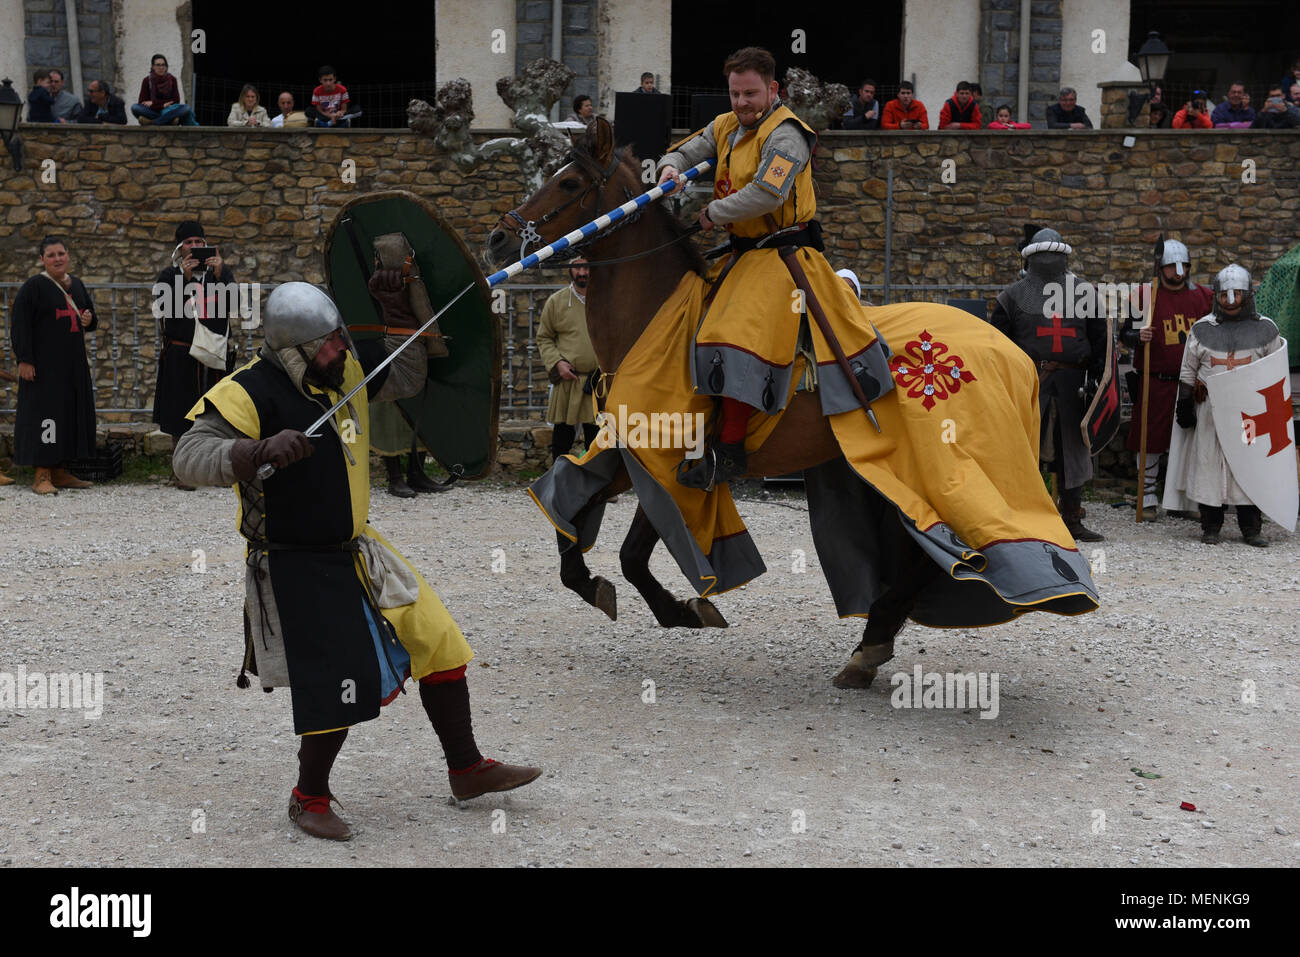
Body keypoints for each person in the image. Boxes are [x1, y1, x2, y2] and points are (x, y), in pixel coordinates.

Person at [173, 282, 541, 841]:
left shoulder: (344, 368)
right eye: (327, 343)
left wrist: (397, 303)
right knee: (338, 679)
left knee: (439, 640)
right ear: (293, 349)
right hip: (295, 560)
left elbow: (413, 371)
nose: (341, 349)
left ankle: (466, 769)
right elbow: (187, 458)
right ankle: (308, 797)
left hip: (361, 546)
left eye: (341, 337)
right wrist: (254, 450)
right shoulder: (247, 392)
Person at [656, 46, 890, 486]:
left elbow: (768, 193)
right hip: (742, 252)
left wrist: (715, 212)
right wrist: (670, 168)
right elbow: (687, 151)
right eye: (735, 94)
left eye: (750, 93)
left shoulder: (787, 134)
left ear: (772, 89)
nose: (741, 103)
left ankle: (729, 450)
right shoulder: (726, 125)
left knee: (734, 334)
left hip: (782, 255)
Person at [990, 227, 1107, 541]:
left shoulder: (1083, 293)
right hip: (1030, 382)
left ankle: (1071, 519)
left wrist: (1098, 380)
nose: (1048, 261)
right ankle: (1028, 516)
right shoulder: (1013, 296)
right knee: (1026, 450)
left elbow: (1101, 341)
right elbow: (996, 344)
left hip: (1073, 384)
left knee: (1073, 450)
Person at [1168, 265, 1280, 546]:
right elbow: (1187, 371)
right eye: (1225, 295)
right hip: (1210, 412)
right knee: (1209, 467)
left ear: (1247, 295)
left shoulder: (1265, 330)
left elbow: (1276, 374)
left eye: (1237, 294)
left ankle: (1251, 528)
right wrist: (1184, 404)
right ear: (1216, 296)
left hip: (1249, 413)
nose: (1230, 301)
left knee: (1248, 469)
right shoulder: (1202, 329)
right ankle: (1211, 526)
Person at [1119, 239, 1213, 518]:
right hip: (1155, 381)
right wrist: (1138, 336)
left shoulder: (1204, 297)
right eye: (1172, 266)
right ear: (1161, 268)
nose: (1178, 271)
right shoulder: (1144, 296)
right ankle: (1146, 497)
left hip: (1192, 383)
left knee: (1189, 439)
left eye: (1183, 265)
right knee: (1150, 439)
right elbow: (1125, 334)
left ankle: (1182, 500)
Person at [9, 236, 98, 496]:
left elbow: (90, 319)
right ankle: (42, 474)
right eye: (51, 255)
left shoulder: (77, 285)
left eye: (61, 253)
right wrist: (24, 359)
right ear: (42, 260)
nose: (57, 258)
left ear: (68, 255)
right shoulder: (33, 287)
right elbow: (20, 324)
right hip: (44, 367)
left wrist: (89, 319)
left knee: (68, 415)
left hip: (73, 365)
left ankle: (60, 471)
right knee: (46, 418)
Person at [152, 220, 237, 489]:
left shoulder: (219, 274)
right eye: (189, 243)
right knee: (181, 414)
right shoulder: (169, 275)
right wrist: (185, 280)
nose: (194, 247)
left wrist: (220, 272)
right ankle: (182, 472)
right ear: (180, 248)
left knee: (215, 413)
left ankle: (216, 470)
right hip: (181, 353)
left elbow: (233, 305)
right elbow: (165, 308)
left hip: (212, 352)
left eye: (199, 242)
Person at [536, 258, 600, 464]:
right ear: (570, 270)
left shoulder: (606, 299)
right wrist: (557, 363)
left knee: (597, 437)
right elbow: (544, 337)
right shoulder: (557, 301)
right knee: (563, 436)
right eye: (577, 267)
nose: (582, 272)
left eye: (587, 267)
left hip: (598, 381)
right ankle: (558, 482)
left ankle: (598, 486)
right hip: (568, 379)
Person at [131, 54, 196, 126]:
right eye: (158, 65)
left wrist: (154, 103)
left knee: (186, 108)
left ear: (166, 67)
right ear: (153, 67)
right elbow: (142, 102)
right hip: (152, 112)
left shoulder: (172, 79)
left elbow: (176, 100)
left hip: (167, 111)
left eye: (163, 65)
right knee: (135, 107)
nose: (161, 67)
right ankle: (168, 121)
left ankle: (154, 122)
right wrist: (163, 105)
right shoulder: (147, 80)